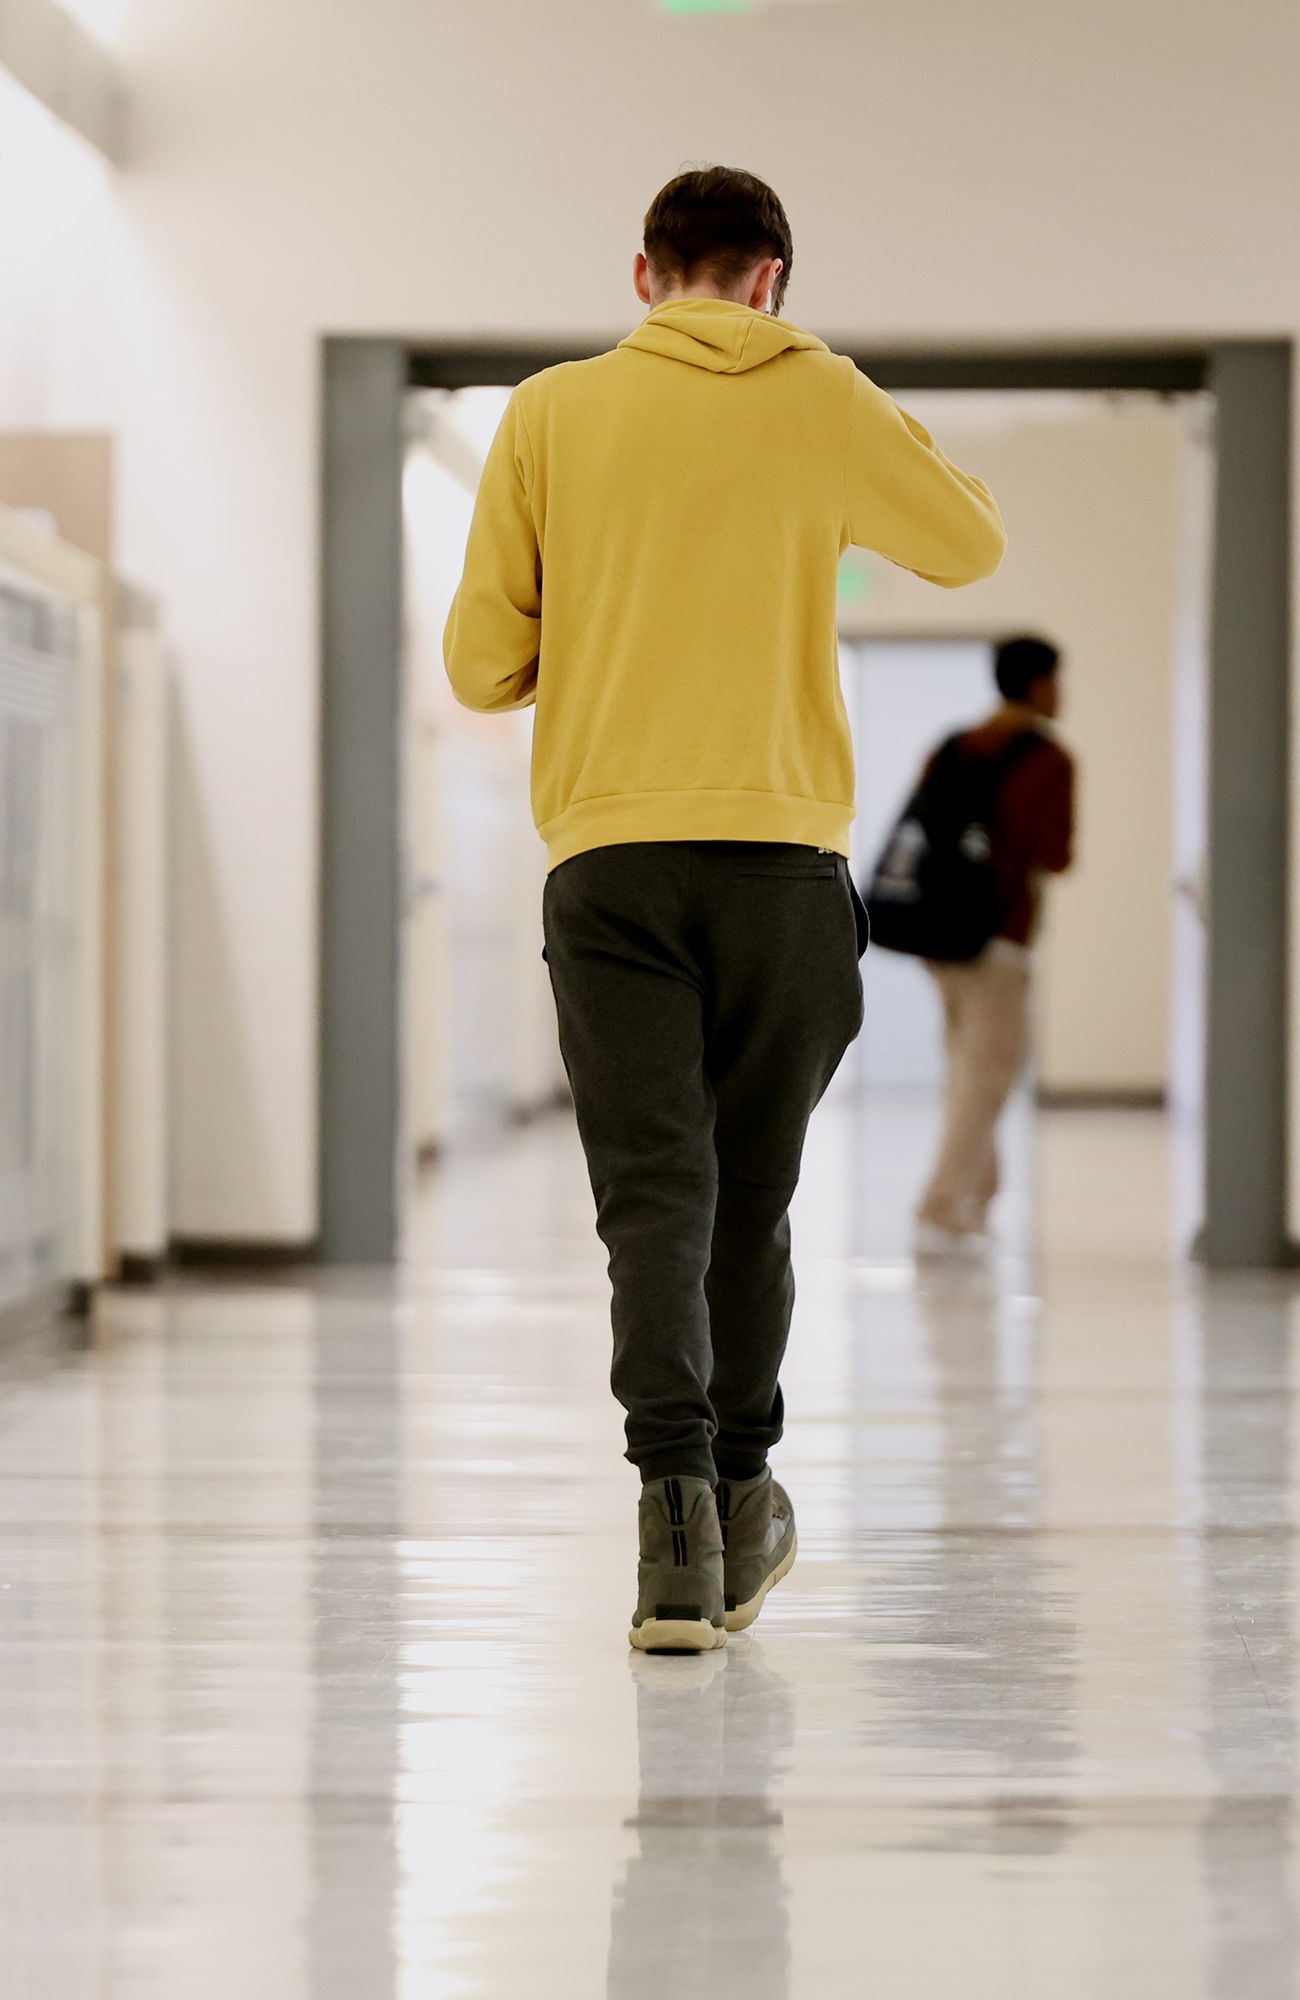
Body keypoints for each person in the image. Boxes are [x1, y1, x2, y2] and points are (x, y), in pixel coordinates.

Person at [444, 167, 1006, 1652]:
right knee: (750, 1199)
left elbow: (478, 663)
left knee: (653, 1201)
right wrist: (833, 398)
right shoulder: (819, 395)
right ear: (774, 279)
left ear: (645, 274)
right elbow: (969, 543)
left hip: (611, 865)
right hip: (781, 871)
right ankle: (746, 1493)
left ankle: (672, 1530)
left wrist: (604, 624)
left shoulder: (552, 412)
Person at [906, 636, 1076, 1252]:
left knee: (968, 1067)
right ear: (1035, 684)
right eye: (1058, 681)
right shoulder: (1048, 761)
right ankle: (943, 1200)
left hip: (937, 937)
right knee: (990, 1075)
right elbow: (1057, 855)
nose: (1063, 694)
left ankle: (980, 1195)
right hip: (999, 940)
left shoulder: (951, 747)